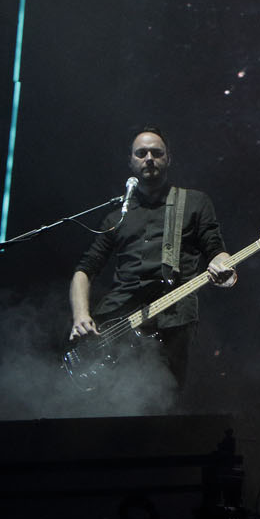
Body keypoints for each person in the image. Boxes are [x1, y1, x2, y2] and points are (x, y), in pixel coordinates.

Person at [69, 127, 238, 389]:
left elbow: (214, 247)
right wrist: (81, 315)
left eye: (156, 153)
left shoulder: (194, 202)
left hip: (171, 320)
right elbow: (85, 269)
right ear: (131, 161)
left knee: (162, 402)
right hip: (114, 323)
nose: (149, 158)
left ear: (168, 159)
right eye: (141, 153)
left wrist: (224, 263)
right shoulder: (117, 216)